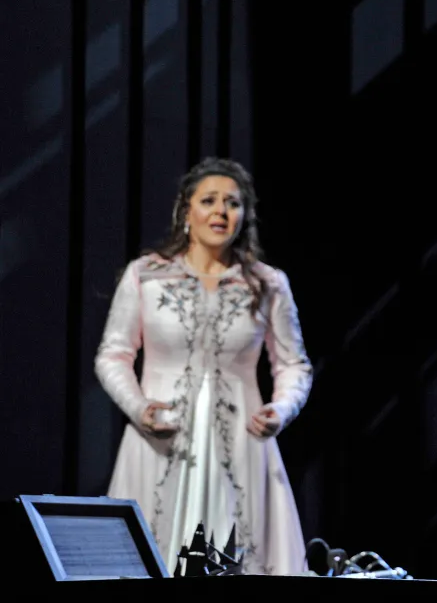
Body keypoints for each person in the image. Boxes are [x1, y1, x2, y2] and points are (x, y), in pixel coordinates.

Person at [95, 157, 313, 575]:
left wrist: (281, 409)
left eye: (232, 203)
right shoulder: (147, 275)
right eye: (209, 200)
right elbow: (113, 354)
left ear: (244, 216)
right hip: (160, 438)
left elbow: (293, 365)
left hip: (243, 441)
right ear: (186, 209)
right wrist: (139, 408)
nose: (220, 212)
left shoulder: (267, 283)